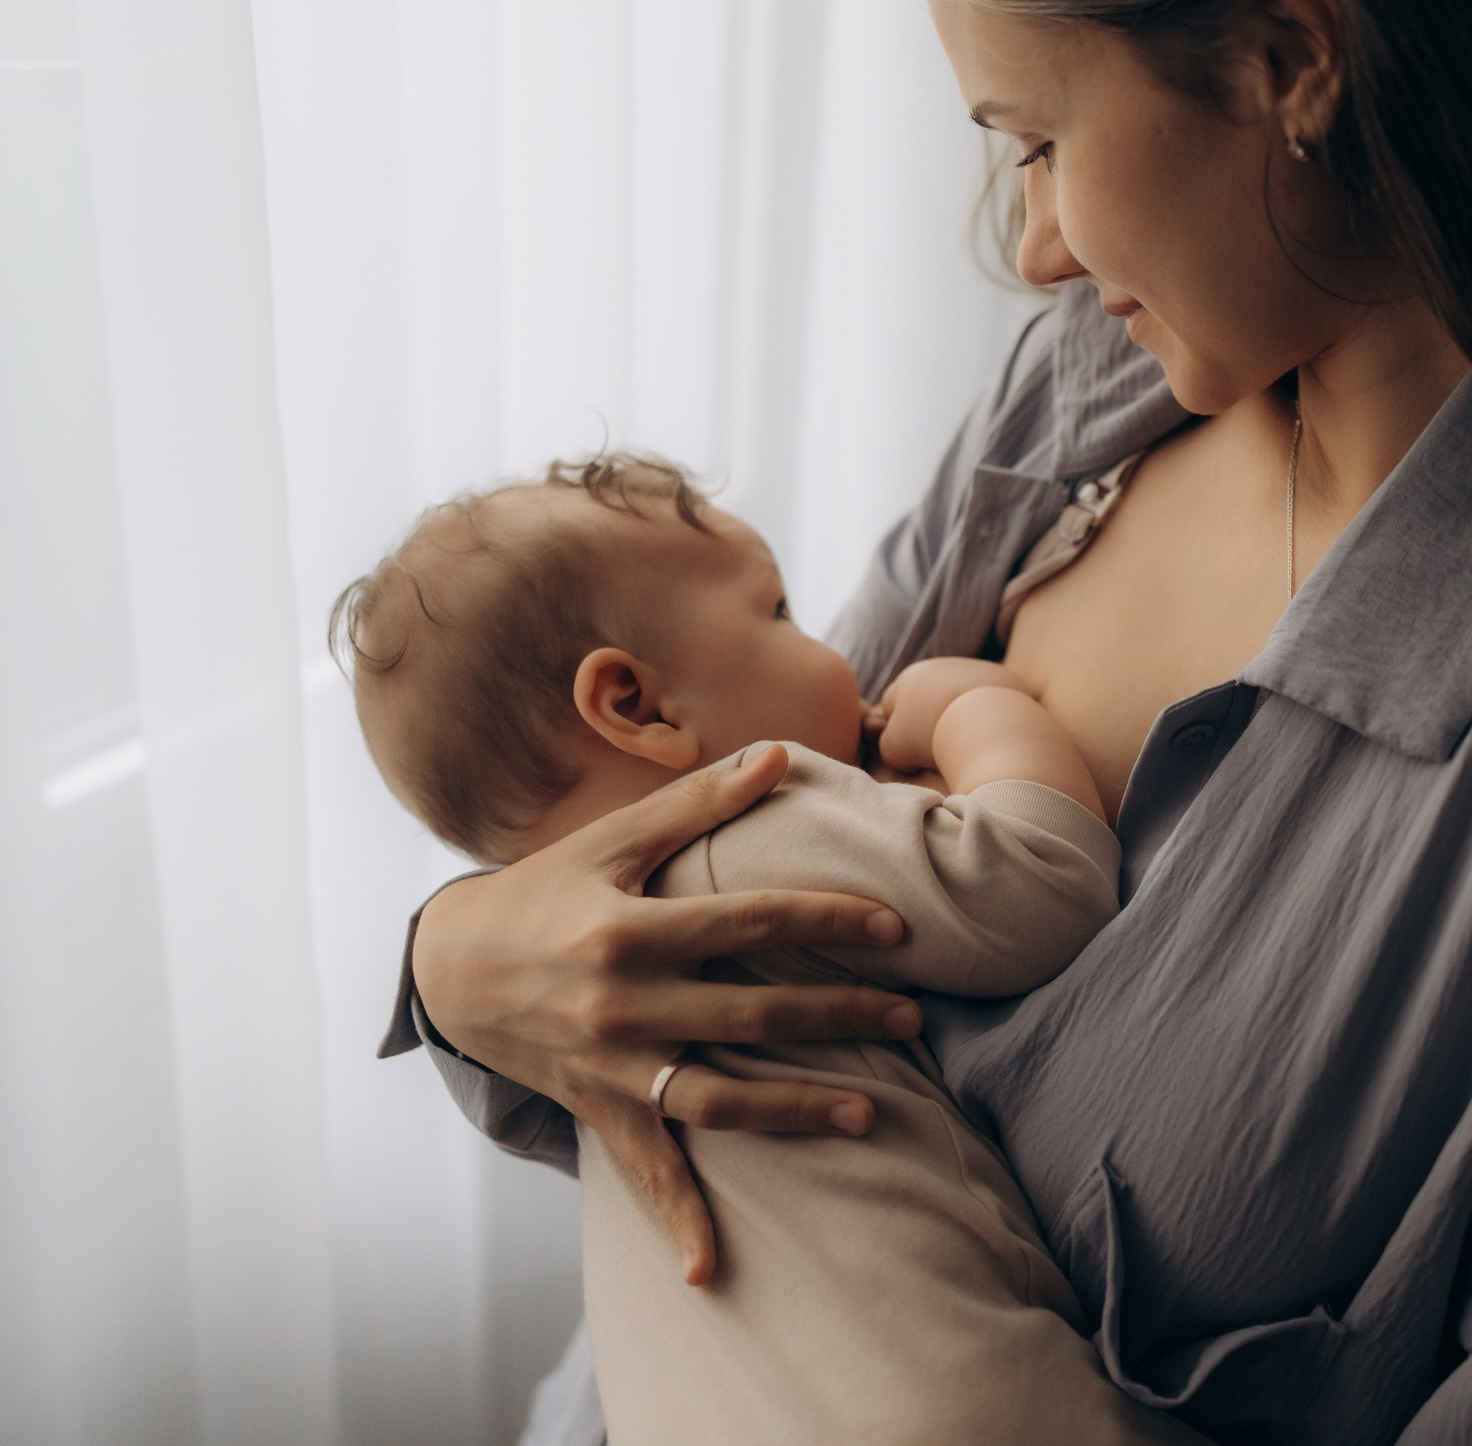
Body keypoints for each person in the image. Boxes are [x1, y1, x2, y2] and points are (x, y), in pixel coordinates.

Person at [385, 0, 1472, 1439]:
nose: (1033, 249)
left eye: (1037, 137)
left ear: (1289, 50)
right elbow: (716, 852)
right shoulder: (1081, 397)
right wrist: (459, 960)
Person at [335, 455, 1194, 1445]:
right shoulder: (749, 823)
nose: (839, 654)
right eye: (780, 613)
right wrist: (976, 713)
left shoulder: (585, 977)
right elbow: (1040, 885)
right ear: (638, 709)